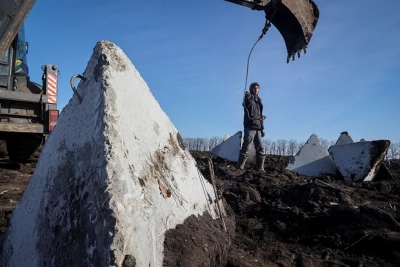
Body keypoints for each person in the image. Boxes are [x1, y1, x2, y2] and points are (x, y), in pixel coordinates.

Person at [237, 82, 266, 171]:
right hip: (250, 127)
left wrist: (263, 128)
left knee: (261, 148)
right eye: (254, 88)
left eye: (257, 88)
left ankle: (260, 169)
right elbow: (245, 104)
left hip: (258, 127)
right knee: (246, 148)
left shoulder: (259, 101)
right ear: (251, 89)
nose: (256, 89)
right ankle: (239, 168)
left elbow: (260, 115)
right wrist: (247, 97)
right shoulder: (248, 98)